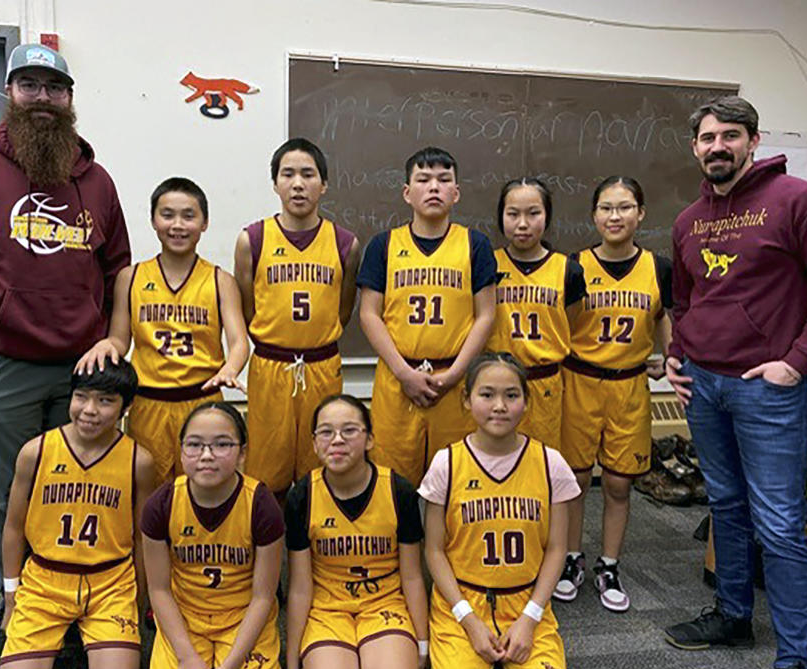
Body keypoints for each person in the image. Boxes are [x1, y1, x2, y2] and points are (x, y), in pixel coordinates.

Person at [0, 43, 131, 659]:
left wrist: (114, 338)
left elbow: (119, 268)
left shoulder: (97, 181)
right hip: (1, 368)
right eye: (30, 85)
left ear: (69, 99)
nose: (43, 98)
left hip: (84, 371)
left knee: (83, 488)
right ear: (9, 93)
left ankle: (79, 602)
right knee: (7, 494)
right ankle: (12, 604)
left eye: (54, 87)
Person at [663, 96, 807, 669]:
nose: (717, 146)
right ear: (695, 147)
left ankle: (795, 667)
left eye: (730, 136)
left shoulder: (800, 201)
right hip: (704, 386)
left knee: (778, 523)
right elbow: (686, 302)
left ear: (753, 140)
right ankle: (733, 616)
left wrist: (797, 362)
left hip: (766, 389)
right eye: (707, 138)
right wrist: (678, 355)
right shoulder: (689, 219)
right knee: (725, 506)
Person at [419, 352, 579, 669]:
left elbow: (557, 549)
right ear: (466, 400)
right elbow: (434, 551)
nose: (500, 406)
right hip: (461, 607)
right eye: (487, 394)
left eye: (511, 395)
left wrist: (530, 618)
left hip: (526, 605)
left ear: (526, 401)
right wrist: (468, 620)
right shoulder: (447, 462)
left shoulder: (549, 462)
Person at [0, 360, 155, 669]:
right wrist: (10, 598)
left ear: (125, 407)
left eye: (105, 401)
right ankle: (69, 636)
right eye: (81, 397)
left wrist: (140, 598)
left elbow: (144, 539)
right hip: (45, 583)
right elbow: (13, 528)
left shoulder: (138, 460)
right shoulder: (35, 452)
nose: (89, 410)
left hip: (110, 582)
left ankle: (87, 639)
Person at [76, 177, 249, 484]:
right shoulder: (131, 277)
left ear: (205, 223)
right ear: (153, 220)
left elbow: (239, 342)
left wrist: (230, 369)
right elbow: (119, 339)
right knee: (148, 491)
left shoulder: (220, 280)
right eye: (167, 215)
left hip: (202, 399)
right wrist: (105, 346)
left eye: (189, 215)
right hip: (148, 403)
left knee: (205, 486)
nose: (178, 225)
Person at [555, 176, 672, 612]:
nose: (615, 216)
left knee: (620, 483)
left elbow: (664, 317)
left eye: (625, 207)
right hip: (579, 381)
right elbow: (557, 321)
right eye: (606, 207)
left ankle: (609, 564)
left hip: (629, 386)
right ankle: (571, 559)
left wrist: (670, 357)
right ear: (594, 215)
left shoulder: (658, 268)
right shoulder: (574, 265)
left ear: (640, 213)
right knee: (576, 481)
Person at [279, 395, 428, 669]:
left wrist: (422, 647)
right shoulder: (302, 495)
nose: (337, 441)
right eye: (326, 432)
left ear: (370, 439)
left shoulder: (398, 490)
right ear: (315, 444)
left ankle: (371, 668)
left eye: (349, 431)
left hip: (383, 605)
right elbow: (300, 589)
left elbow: (413, 576)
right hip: (328, 610)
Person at [358, 146, 497, 486]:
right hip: (397, 378)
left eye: (443, 179)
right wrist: (404, 372)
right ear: (407, 192)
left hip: (454, 379)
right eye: (423, 179)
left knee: (456, 482)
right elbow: (369, 314)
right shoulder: (383, 245)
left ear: (456, 192)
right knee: (394, 485)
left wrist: (454, 375)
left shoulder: (475, 244)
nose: (433, 187)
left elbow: (486, 316)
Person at [234, 138, 361, 502]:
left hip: (321, 365)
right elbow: (248, 308)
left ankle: (314, 551)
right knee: (266, 471)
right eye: (287, 174)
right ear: (275, 183)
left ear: (324, 184)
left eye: (308, 174)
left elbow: (343, 310)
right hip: (270, 366)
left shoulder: (344, 243)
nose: (298, 183)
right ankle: (271, 553)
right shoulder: (252, 240)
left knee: (322, 468)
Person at [141, 402, 283, 669]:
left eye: (222, 444)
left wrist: (230, 668)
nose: (207, 455)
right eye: (195, 445)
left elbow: (264, 596)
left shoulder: (261, 504)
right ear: (181, 451)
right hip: (186, 618)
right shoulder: (161, 504)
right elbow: (159, 590)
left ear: (243, 453)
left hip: (241, 618)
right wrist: (187, 658)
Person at [487, 177, 586, 448]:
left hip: (545, 384)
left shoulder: (568, 270)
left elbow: (571, 318)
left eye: (533, 213)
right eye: (513, 214)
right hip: (495, 381)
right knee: (494, 460)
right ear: (501, 216)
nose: (522, 224)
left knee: (540, 463)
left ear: (547, 216)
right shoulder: (487, 264)